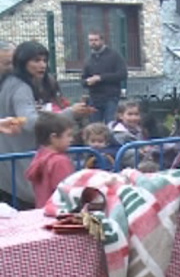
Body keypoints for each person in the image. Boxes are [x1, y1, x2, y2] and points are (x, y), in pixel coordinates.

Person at [0, 41, 85, 207]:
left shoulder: (8, 83)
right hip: (18, 162)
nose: (42, 65)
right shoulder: (20, 87)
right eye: (36, 60)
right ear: (23, 62)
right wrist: (70, 113)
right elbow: (30, 122)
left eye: (44, 60)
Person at [25, 112, 76, 209]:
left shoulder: (40, 155)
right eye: (68, 135)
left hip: (42, 210)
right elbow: (66, 193)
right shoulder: (60, 161)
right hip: (59, 212)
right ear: (53, 137)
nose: (71, 139)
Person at [81, 31, 128, 124]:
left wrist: (101, 78)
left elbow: (122, 74)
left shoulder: (114, 55)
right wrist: (87, 82)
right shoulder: (88, 59)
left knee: (110, 124)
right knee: (95, 127)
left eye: (95, 40)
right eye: (90, 40)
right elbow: (82, 80)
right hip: (94, 99)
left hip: (111, 97)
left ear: (102, 40)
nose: (93, 43)